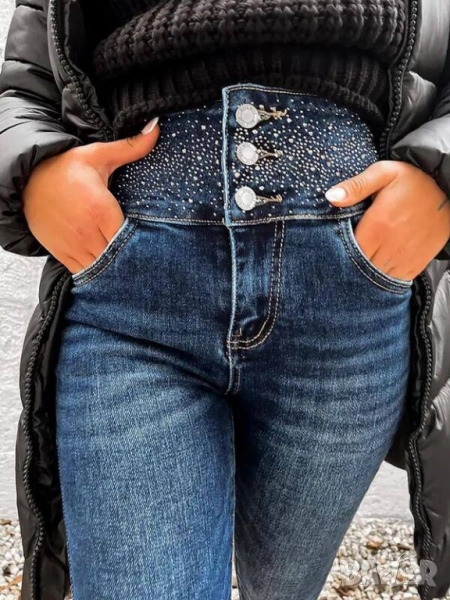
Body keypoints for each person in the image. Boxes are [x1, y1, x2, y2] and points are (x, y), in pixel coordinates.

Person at [0, 1, 450, 599]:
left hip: (348, 301)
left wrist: (439, 178)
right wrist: (37, 173)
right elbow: (24, 79)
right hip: (133, 296)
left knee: (283, 587)